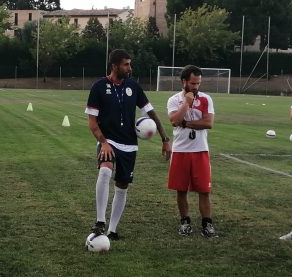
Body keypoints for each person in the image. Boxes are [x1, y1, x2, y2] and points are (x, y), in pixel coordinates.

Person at [85, 49, 171, 241]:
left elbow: (151, 113)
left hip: (130, 145)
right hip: (109, 141)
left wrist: (165, 139)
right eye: (126, 64)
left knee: (122, 186)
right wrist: (103, 143)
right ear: (115, 66)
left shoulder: (134, 86)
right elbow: (92, 122)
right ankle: (100, 221)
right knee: (105, 170)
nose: (129, 68)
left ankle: (112, 230)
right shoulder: (99, 86)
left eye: (129, 64)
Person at [167, 65, 217, 237]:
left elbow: (208, 123)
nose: (196, 86)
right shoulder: (174, 100)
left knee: (204, 190)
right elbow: (174, 121)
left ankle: (207, 224)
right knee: (181, 190)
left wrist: (187, 123)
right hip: (180, 151)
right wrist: (187, 103)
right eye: (193, 83)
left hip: (200, 150)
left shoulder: (206, 99)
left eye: (198, 83)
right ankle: (185, 222)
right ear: (184, 82)